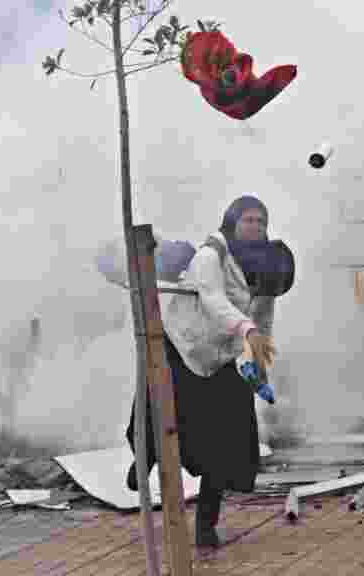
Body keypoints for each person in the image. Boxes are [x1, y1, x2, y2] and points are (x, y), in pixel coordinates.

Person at [125, 195, 289, 549]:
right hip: (183, 346)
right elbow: (214, 301)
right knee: (157, 413)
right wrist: (247, 330)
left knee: (227, 440)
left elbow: (264, 318)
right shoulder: (211, 255)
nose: (256, 226)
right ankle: (143, 459)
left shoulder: (267, 265)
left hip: (221, 356)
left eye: (262, 221)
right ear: (232, 221)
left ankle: (205, 525)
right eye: (249, 219)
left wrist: (258, 368)